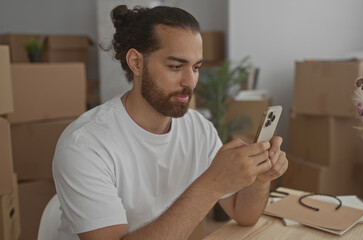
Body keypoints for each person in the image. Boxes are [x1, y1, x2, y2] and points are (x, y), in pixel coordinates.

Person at [52, 5, 288, 240]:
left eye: (196, 67)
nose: (190, 82)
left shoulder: (198, 128)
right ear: (136, 62)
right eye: (176, 66)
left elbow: (243, 214)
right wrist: (212, 184)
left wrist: (260, 178)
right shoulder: (84, 145)